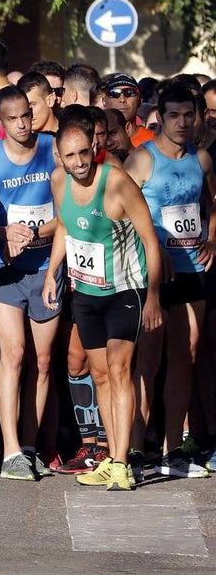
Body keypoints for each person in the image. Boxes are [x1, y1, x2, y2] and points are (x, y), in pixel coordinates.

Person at [43, 121, 162, 491]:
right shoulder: (58, 182)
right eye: (71, 156)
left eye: (85, 153)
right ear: (59, 157)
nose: (80, 162)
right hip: (87, 293)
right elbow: (64, 228)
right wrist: (52, 273)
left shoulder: (116, 182)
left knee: (119, 368)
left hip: (126, 289)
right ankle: (112, 457)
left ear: (93, 147)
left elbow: (150, 239)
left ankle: (123, 462)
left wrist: (154, 294)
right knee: (100, 375)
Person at [123, 79, 215, 479]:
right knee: (148, 361)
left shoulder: (203, 159)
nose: (181, 122)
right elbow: (122, 214)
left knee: (186, 357)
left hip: (194, 268)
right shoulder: (142, 160)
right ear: (159, 117)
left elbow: (209, 201)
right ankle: (136, 450)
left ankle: (173, 450)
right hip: (153, 275)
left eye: (188, 115)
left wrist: (211, 238)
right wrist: (154, 251)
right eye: (173, 115)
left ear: (197, 118)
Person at [0, 86, 61, 480]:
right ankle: (10, 451)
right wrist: (3, 233)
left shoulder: (54, 149)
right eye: (13, 118)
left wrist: (37, 232)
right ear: (0, 119)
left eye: (27, 114)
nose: (24, 124)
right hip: (4, 270)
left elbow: (71, 209)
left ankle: (29, 444)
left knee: (41, 362)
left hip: (47, 267)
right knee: (13, 354)